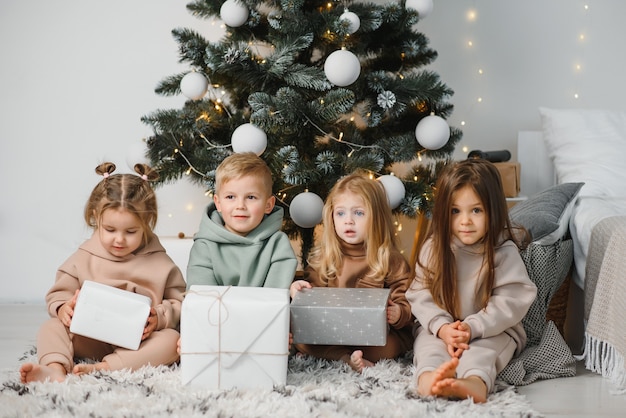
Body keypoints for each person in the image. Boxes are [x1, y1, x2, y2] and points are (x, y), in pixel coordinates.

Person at [20, 162, 186, 384]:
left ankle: (105, 367)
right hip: (90, 336)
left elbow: (180, 301)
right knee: (51, 328)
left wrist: (160, 316)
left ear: (146, 223)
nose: (119, 239)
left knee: (171, 341)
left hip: (138, 341)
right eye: (109, 230)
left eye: (130, 231)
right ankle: (55, 369)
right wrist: (63, 308)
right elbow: (58, 293)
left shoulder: (160, 261)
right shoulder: (84, 256)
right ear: (96, 217)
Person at [406, 159, 537, 403]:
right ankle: (429, 380)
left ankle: (473, 383)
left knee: (481, 352)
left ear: (493, 210)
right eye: (456, 211)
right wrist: (443, 328)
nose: (465, 221)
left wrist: (472, 327)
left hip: (490, 329)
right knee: (428, 346)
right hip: (443, 328)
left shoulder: (502, 251)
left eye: (476, 210)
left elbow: (512, 300)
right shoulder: (434, 248)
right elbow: (420, 295)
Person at [290, 172, 414, 373]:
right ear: (331, 217)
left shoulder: (389, 259)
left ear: (376, 217)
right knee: (301, 339)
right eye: (340, 213)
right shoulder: (325, 257)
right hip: (333, 329)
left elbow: (407, 299)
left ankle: (340, 354)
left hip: (374, 335)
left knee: (389, 347)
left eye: (358, 213)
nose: (348, 221)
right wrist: (299, 290)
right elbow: (312, 296)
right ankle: (345, 357)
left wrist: (399, 313)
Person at [185, 152, 297, 289]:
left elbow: (273, 300)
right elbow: (202, 297)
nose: (240, 206)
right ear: (218, 203)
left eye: (251, 197)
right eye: (231, 197)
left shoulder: (277, 244)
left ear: (268, 205)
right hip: (215, 310)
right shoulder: (204, 246)